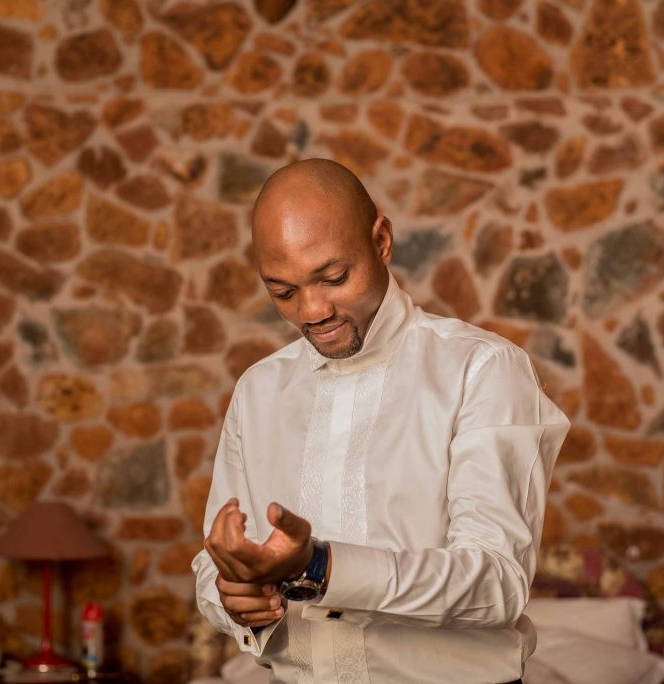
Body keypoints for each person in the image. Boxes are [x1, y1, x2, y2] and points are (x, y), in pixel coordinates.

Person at [192, 158, 570, 683]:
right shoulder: (257, 391)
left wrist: (320, 567)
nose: (312, 310)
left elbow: (496, 585)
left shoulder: (482, 370)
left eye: (333, 277)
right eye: (283, 291)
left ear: (382, 240)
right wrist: (234, 596)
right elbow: (214, 568)